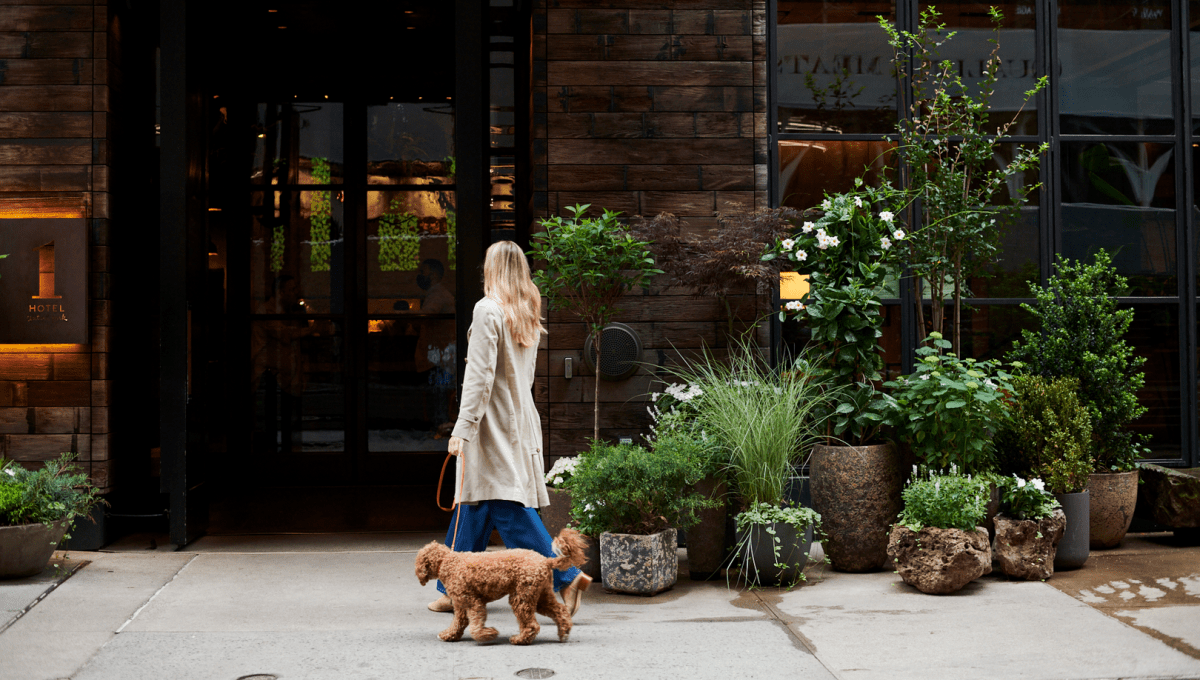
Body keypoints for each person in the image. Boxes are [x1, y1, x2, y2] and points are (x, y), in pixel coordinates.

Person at [427, 241, 591, 616]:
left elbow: (479, 377)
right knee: (476, 501)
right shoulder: (526, 308)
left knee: (503, 503)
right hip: (516, 415)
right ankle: (452, 587)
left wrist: (462, 426)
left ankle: (567, 578)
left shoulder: (487, 310)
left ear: (491, 269)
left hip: (491, 422)